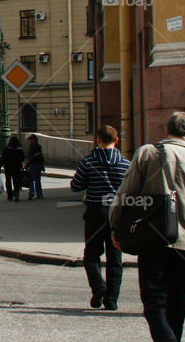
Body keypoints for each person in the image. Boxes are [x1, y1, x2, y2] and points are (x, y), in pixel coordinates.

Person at [110, 112, 185, 340]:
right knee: (177, 300)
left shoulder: (148, 153)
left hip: (153, 236)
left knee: (154, 300)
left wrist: (116, 227)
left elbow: (127, 192)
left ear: (167, 130)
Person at [70, 125, 130, 311]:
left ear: (98, 140)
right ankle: (111, 299)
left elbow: (76, 185)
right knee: (115, 256)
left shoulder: (88, 162)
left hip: (96, 212)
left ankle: (98, 287)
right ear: (117, 140)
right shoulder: (125, 164)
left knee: (91, 254)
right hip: (116, 215)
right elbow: (131, 189)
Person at [0, 136, 25, 201]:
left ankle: (10, 195)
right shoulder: (19, 149)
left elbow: (2, 159)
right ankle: (16, 193)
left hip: (8, 167)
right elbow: (22, 158)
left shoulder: (7, 149)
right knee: (16, 181)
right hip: (17, 167)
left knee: (8, 181)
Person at [25, 134, 45, 200]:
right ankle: (39, 194)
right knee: (37, 180)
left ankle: (32, 192)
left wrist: (26, 164)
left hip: (33, 164)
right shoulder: (39, 147)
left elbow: (31, 157)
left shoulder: (32, 147)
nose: (30, 141)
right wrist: (42, 166)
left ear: (34, 140)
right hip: (38, 164)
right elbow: (41, 157)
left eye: (31, 139)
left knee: (31, 179)